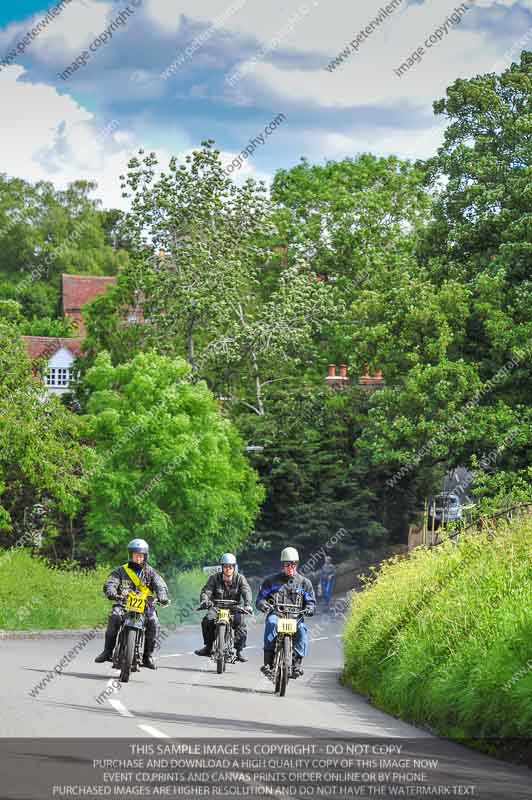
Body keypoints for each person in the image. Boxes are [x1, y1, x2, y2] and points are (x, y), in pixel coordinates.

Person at [95, 538, 169, 669]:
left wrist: (162, 596)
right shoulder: (120, 571)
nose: (138, 558)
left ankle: (147, 656)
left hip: (145, 607)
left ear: (145, 556)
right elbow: (110, 582)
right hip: (123, 605)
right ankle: (107, 651)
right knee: (114, 617)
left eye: (141, 556)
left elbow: (160, 584)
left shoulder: (151, 572)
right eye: (136, 555)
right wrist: (111, 591)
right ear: (130, 555)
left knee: (154, 622)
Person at [256, 547, 316, 677]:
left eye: (294, 564)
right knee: (271, 623)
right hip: (277, 615)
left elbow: (311, 602)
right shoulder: (270, 581)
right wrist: (264, 605)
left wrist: (310, 608)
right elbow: (260, 599)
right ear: (282, 565)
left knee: (301, 630)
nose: (291, 567)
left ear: (297, 564)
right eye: (288, 564)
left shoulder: (305, 583)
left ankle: (297, 665)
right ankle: (268, 663)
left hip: (296, 618)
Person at [194, 553, 253, 662]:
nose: (228, 569)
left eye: (230, 566)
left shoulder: (240, 578)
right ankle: (208, 647)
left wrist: (247, 604)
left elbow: (246, 591)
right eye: (225, 566)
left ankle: (239, 651)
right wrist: (205, 600)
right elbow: (207, 591)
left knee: (241, 624)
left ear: (234, 567)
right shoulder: (214, 578)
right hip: (217, 607)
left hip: (234, 608)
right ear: (222, 567)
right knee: (207, 620)